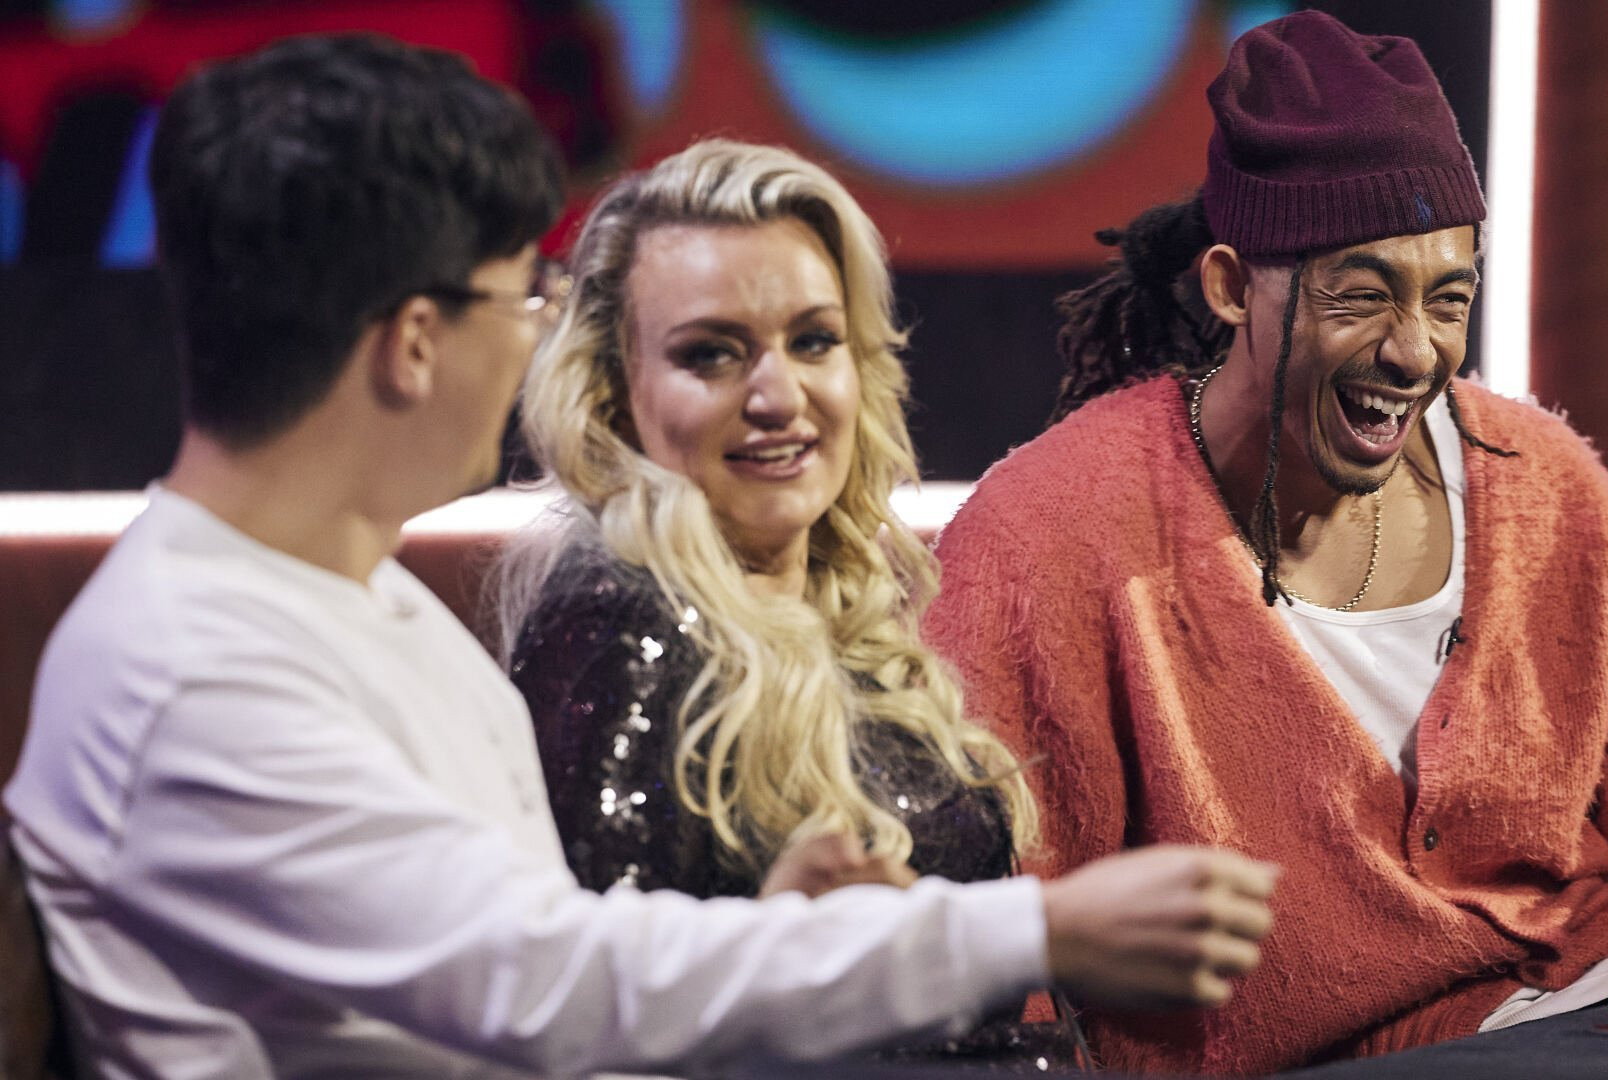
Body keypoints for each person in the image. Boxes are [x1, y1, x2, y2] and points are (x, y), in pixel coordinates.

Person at [1, 35, 1280, 1078]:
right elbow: (537, 984)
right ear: (413, 343)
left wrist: (777, 938)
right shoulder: (199, 671)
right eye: (522, 296)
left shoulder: (348, 605)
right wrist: (1033, 928)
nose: (534, 344)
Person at [922, 11, 1608, 1076]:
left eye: (1449, 299)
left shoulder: (1537, 479)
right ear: (1229, 287)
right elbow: (987, 932)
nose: (1414, 351)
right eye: (1362, 295)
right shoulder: (1051, 540)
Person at [493, 138, 1060, 1065]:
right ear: (614, 392)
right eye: (712, 355)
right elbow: (599, 1033)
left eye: (813, 341)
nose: (777, 396)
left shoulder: (845, 611)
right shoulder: (618, 625)